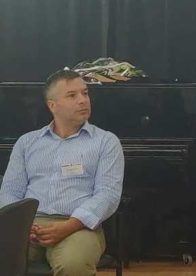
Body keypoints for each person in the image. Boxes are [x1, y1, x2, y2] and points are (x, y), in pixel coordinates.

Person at [0, 69, 124, 276]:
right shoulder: (27, 142)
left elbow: (108, 194)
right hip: (28, 224)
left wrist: (69, 226)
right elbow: (10, 191)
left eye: (85, 93)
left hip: (78, 226)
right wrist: (20, 224)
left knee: (73, 264)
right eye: (72, 95)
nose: (83, 100)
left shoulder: (105, 142)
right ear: (52, 105)